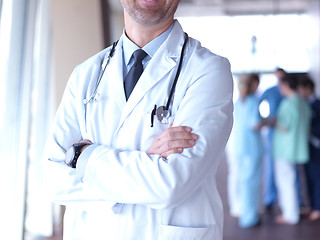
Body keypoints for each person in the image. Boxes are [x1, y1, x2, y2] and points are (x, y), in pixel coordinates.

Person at [43, 1, 234, 239]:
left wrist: (85, 156)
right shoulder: (85, 74)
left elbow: (170, 184)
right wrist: (147, 164)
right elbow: (53, 179)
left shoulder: (208, 71)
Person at [273, 74, 311, 225]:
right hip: (296, 147)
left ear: (287, 85)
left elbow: (284, 126)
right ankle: (292, 212)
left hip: (285, 148)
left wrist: (274, 121)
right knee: (291, 180)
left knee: (286, 181)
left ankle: (290, 215)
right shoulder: (303, 102)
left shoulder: (288, 104)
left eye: (281, 85)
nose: (279, 88)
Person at [233, 73, 264, 228]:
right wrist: (269, 121)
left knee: (244, 182)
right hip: (252, 148)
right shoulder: (253, 101)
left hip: (240, 146)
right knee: (252, 182)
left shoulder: (239, 102)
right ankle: (250, 218)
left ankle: (246, 215)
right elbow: (255, 124)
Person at [259, 68, 284, 210]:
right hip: (273, 132)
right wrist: (266, 120)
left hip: (287, 133)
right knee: (270, 166)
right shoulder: (271, 91)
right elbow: (257, 105)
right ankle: (270, 199)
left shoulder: (289, 91)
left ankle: (294, 201)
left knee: (288, 168)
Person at [298, 77, 320, 222]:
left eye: (301, 89)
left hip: (316, 146)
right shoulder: (304, 104)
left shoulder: (317, 105)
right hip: (306, 146)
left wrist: (311, 129)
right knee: (307, 176)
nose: (299, 92)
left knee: (317, 177)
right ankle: (311, 206)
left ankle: (317, 208)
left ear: (308, 88)